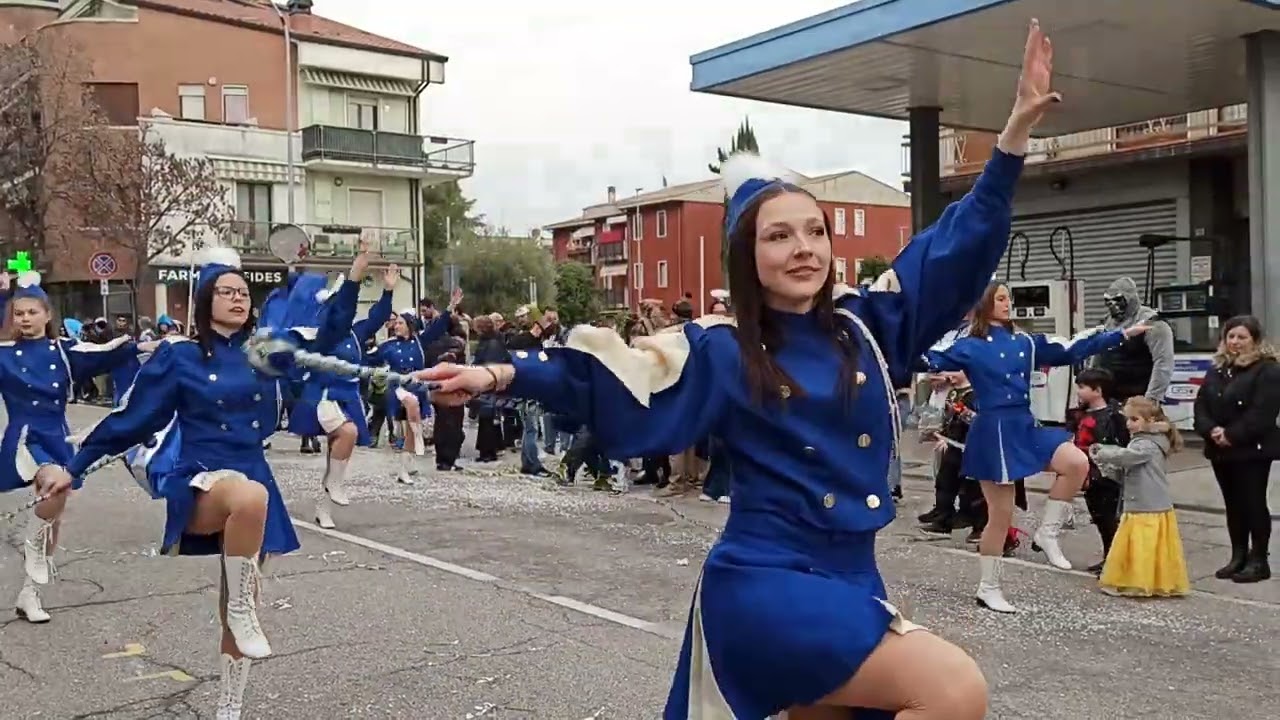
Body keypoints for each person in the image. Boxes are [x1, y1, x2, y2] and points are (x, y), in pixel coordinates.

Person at [420, 20, 1060, 718]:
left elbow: (951, 252)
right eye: (778, 235)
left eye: (815, 231)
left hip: (852, 577)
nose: (803, 248)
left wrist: (1012, 141)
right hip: (766, 583)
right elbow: (617, 377)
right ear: (746, 257)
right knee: (952, 688)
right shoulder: (722, 348)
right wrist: (498, 376)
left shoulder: (865, 328)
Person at [33, 246, 364, 720]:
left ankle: (230, 707)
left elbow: (331, 333)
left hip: (253, 471)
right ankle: (241, 617)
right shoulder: (180, 356)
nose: (238, 299)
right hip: (201, 477)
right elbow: (132, 418)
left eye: (244, 292)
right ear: (204, 300)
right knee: (250, 498)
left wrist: (354, 275)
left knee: (243, 596)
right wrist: (75, 466)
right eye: (226, 292)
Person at [924, 282, 1146, 612]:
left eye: (1007, 298)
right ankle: (989, 587)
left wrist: (1121, 335)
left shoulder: (1025, 341)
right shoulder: (968, 344)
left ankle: (1048, 532)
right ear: (985, 303)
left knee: (1076, 462)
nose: (1007, 304)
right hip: (993, 430)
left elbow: (1071, 349)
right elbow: (926, 356)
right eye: (1000, 298)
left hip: (1024, 424)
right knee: (1000, 517)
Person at [0, 271, 155, 623]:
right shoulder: (4, 354)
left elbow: (105, 354)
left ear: (47, 315)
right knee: (54, 483)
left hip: (57, 435)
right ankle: (36, 563)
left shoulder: (64, 352)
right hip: (24, 436)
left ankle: (30, 592)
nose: (25, 319)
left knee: (53, 514)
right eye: (19, 313)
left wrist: (148, 347)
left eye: (31, 312)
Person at [281, 264, 398, 529]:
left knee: (337, 450)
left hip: (349, 396)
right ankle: (333, 484)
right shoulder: (321, 336)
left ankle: (324, 508)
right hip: (323, 394)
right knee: (348, 433)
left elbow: (377, 317)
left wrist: (388, 291)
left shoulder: (356, 335)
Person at [1192, 315, 1278, 583]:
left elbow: (1262, 412)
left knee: (1253, 503)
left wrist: (1231, 434)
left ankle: (1259, 559)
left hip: (1251, 449)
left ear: (1254, 340)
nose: (1235, 342)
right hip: (1220, 450)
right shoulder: (1217, 369)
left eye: (1242, 337)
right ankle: (1238, 555)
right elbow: (1201, 405)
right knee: (1233, 505)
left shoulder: (1267, 370)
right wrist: (1211, 431)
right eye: (1231, 336)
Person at [1087, 396, 1189, 597]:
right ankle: (1143, 580)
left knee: (1142, 547)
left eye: (1134, 419)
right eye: (1128, 419)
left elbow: (1128, 457)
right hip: (1147, 501)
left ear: (1150, 420)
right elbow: (1126, 467)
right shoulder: (1148, 440)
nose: (1128, 424)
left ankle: (1137, 581)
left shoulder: (1146, 444)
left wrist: (1103, 453)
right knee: (1147, 546)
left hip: (1146, 503)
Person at [375, 287, 461, 483]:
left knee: (412, 428)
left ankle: (406, 465)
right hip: (398, 389)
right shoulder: (387, 345)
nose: (396, 326)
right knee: (407, 425)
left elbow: (438, 326)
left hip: (416, 387)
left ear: (409, 325)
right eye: (395, 323)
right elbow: (369, 360)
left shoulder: (420, 342)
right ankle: (407, 462)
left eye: (400, 323)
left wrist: (451, 306)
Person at [1067, 368, 1129, 575]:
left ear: (1098, 390)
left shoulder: (1112, 417)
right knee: (1099, 518)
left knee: (1110, 518)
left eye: (1082, 387)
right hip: (1087, 475)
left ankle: (1116, 561)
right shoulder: (1081, 414)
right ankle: (1109, 557)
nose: (1078, 391)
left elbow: (1120, 446)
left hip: (1106, 476)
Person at [1093, 277, 1175, 402]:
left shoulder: (1152, 323)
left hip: (1138, 396)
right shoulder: (1106, 323)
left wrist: (1151, 399)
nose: (1114, 306)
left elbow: (1163, 363)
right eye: (1109, 301)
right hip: (1108, 398)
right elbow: (1096, 357)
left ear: (1130, 299)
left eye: (1118, 300)